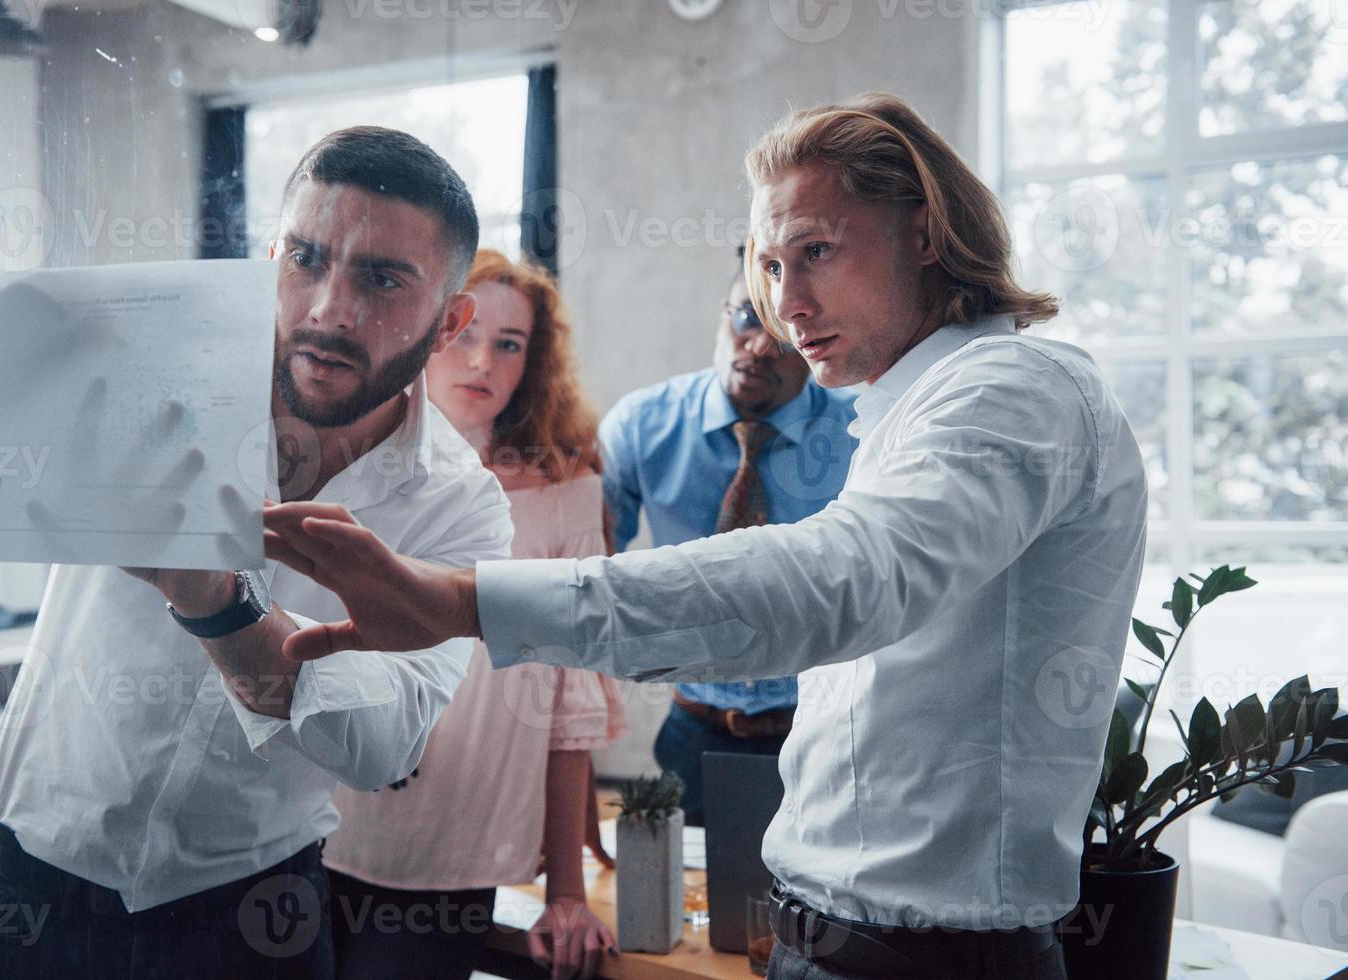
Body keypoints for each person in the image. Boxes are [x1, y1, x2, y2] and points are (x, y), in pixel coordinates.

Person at [265, 92, 1150, 980]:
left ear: (924, 234)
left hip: (931, 961)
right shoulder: (899, 412)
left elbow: (837, 582)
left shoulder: (1011, 387)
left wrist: (464, 600)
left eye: (816, 252)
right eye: (769, 266)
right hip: (836, 939)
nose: (784, 303)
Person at [0, 126, 514, 978]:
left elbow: (381, 745)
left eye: (382, 278)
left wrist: (217, 603)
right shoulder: (144, 374)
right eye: (306, 257)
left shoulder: (461, 507)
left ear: (451, 322)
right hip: (29, 879)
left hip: (253, 914)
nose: (328, 307)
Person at [324, 248, 624, 980]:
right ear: (429, 332)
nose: (482, 360)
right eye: (465, 335)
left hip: (455, 839)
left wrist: (564, 895)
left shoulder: (564, 493)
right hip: (322, 826)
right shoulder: (350, 463)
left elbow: (566, 710)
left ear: (533, 363)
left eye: (510, 344)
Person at [599, 247, 856, 826]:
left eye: (786, 333)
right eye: (747, 317)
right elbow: (589, 564)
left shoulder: (863, 432)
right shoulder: (642, 426)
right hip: (696, 729)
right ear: (722, 314)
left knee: (815, 912)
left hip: (826, 733)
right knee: (691, 903)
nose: (760, 346)